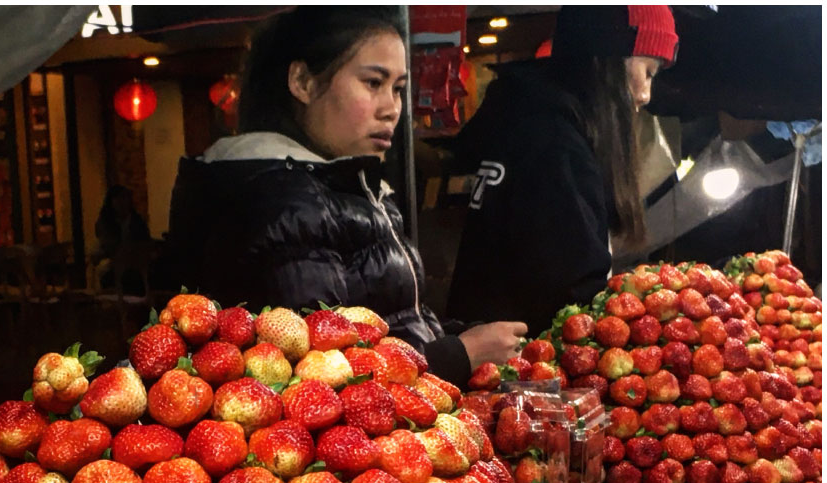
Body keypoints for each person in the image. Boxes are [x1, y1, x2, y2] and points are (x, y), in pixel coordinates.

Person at [166, 6, 526, 387]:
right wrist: (460, 353)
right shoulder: (279, 202)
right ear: (302, 82)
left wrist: (464, 337)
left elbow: (395, 323)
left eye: (399, 89)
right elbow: (320, 377)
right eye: (373, 83)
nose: (391, 109)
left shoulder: (353, 183)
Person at [446, 5, 679, 335]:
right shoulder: (553, 142)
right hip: (519, 366)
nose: (644, 94)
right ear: (606, 60)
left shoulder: (526, 119)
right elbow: (571, 298)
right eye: (648, 72)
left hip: (495, 354)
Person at [93, 185, 152, 292]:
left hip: (135, 262)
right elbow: (107, 245)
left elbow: (144, 243)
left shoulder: (137, 221)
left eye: (125, 198)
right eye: (118, 199)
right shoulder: (105, 222)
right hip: (112, 262)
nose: (122, 203)